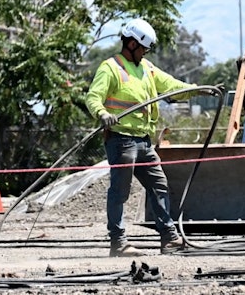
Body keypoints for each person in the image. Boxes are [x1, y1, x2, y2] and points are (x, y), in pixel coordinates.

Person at [86, 18, 218, 257]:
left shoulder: (146, 68)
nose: (146, 52)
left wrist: (197, 89)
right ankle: (118, 243)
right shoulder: (111, 68)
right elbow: (93, 97)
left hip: (144, 141)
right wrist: (102, 113)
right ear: (133, 44)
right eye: (144, 47)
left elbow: (171, 86)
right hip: (122, 139)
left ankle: (169, 237)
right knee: (120, 191)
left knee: (159, 185)